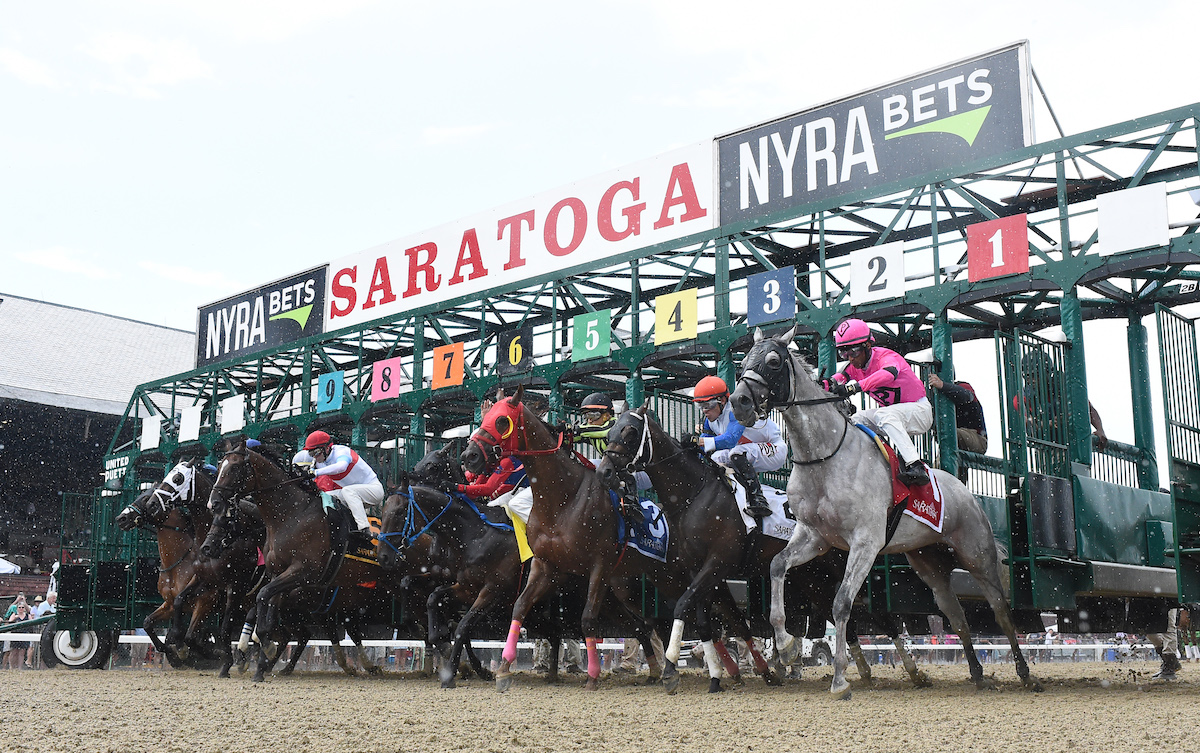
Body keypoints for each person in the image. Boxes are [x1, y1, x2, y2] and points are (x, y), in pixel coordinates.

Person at [825, 319, 932, 486]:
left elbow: (889, 374)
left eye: (853, 352)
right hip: (895, 415)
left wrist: (854, 388)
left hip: (919, 411)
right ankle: (873, 462)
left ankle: (916, 465)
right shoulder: (853, 366)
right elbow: (836, 380)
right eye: (844, 353)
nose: (850, 359)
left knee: (884, 413)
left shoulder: (886, 356)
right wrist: (821, 384)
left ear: (868, 345)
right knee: (856, 420)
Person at [682, 375, 786, 518]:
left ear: (722, 401)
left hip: (775, 449)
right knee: (715, 458)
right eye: (700, 406)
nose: (705, 411)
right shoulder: (709, 420)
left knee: (736, 452)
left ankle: (758, 499)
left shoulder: (736, 411)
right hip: (749, 449)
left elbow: (730, 439)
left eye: (708, 405)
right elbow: (703, 448)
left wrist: (697, 441)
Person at [572, 392, 646, 528]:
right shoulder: (590, 430)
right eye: (586, 416)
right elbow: (575, 436)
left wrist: (574, 430)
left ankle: (632, 504)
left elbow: (601, 430)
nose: (589, 420)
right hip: (617, 472)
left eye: (592, 415)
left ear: (607, 415)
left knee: (596, 464)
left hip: (641, 472)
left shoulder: (614, 425)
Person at [292, 430, 384, 535]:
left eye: (316, 453)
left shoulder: (341, 451)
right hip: (354, 497)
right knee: (324, 497)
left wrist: (315, 472)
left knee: (347, 491)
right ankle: (340, 530)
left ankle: (364, 529)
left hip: (374, 491)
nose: (315, 457)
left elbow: (341, 466)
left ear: (327, 448)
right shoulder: (319, 461)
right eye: (311, 454)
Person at [927, 373, 987, 482]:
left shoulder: (963, 386)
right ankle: (952, 486)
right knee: (954, 453)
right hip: (958, 442)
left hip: (978, 439)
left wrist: (942, 385)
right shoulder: (933, 398)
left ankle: (938, 479)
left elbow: (966, 396)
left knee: (951, 434)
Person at [1150, 607, 1184, 680]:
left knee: (1169, 626)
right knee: (1148, 630)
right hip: (1146, 598)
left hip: (1168, 599)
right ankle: (1171, 662)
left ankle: (1169, 666)